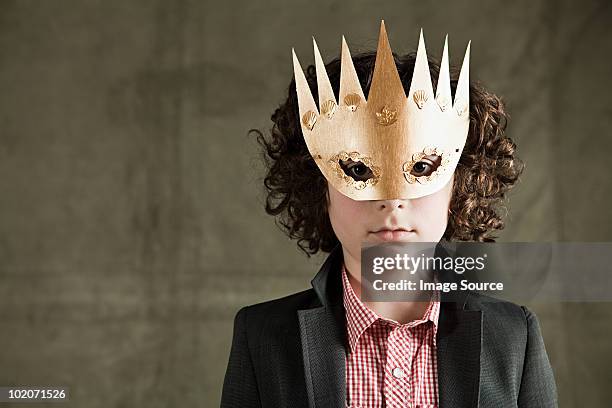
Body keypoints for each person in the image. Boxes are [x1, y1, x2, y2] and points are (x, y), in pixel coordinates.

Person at [221, 21, 558, 408]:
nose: (394, 202)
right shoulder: (262, 338)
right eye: (358, 170)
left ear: (459, 182)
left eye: (421, 168)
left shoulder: (515, 337)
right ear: (320, 186)